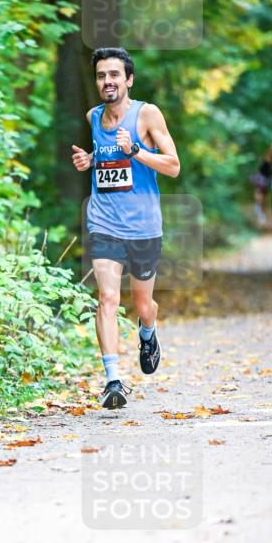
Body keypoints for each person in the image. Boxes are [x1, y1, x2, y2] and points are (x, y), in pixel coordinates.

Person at [71, 47, 181, 409]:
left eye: (115, 75)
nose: (108, 81)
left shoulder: (146, 114)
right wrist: (90, 160)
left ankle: (148, 332)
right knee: (107, 298)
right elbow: (105, 157)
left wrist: (135, 150)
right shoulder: (93, 117)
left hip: (144, 225)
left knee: (142, 304)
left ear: (128, 80)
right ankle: (113, 380)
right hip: (103, 222)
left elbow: (173, 165)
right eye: (102, 75)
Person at [249, 143, 272, 229]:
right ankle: (264, 220)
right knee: (262, 202)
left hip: (268, 186)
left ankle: (267, 222)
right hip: (264, 186)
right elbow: (263, 175)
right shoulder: (267, 163)